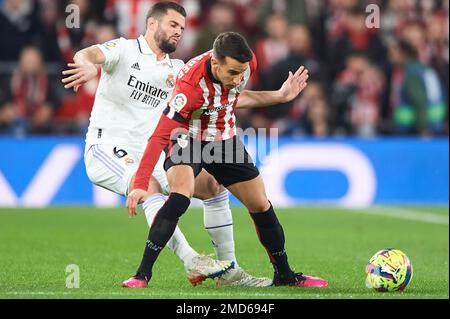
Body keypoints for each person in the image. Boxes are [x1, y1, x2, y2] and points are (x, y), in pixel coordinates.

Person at [61, 2, 272, 287]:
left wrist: (278, 95)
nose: (178, 33)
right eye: (173, 25)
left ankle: (230, 271)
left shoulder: (178, 69)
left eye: (182, 29)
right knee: (147, 185)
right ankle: (191, 260)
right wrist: (87, 66)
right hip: (106, 147)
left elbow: (229, 99)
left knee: (213, 187)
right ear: (151, 24)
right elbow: (86, 53)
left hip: (151, 150)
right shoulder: (124, 49)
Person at [124, 31, 329, 288]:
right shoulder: (189, 87)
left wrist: (280, 95)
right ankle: (142, 274)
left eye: (242, 72)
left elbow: (236, 97)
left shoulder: (244, 64)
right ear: (214, 63)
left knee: (260, 203)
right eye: (233, 73)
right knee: (181, 194)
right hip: (187, 137)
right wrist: (141, 181)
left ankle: (285, 275)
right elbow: (159, 136)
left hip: (224, 138)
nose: (239, 78)